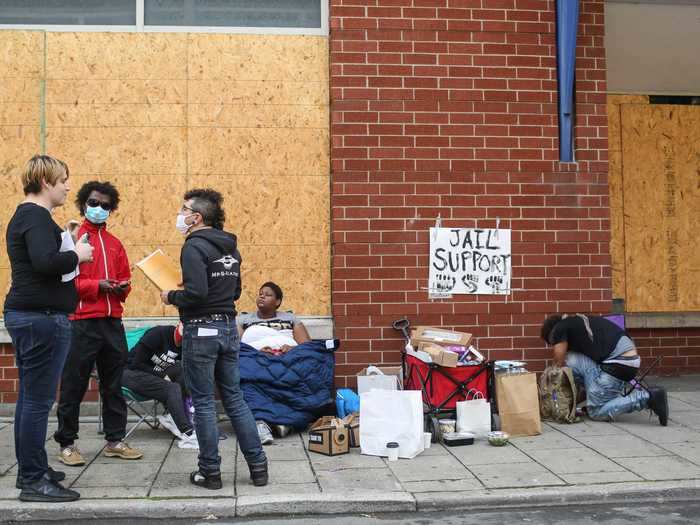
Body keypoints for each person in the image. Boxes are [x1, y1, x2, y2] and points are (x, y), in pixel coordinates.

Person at [161, 188, 268, 490]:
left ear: (196, 217)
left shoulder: (193, 246)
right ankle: (259, 468)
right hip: (227, 329)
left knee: (205, 403)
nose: (180, 215)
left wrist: (171, 295)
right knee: (235, 399)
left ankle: (210, 473)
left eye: (184, 210)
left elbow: (196, 294)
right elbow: (233, 292)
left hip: (200, 330)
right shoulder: (231, 248)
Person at [4, 155, 93, 502]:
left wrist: (66, 240)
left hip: (31, 316)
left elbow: (41, 255)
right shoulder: (35, 216)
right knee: (38, 402)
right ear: (45, 183)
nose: (68, 187)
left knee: (29, 399)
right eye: (63, 181)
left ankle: (34, 468)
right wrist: (78, 254)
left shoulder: (32, 218)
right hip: (42, 320)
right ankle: (32, 480)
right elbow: (45, 263)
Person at [54, 181, 143, 466]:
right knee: (74, 384)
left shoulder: (115, 243)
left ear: (111, 209)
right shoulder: (72, 238)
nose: (99, 209)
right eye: (94, 203)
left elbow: (125, 279)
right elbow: (65, 282)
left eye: (105, 205)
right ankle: (67, 443)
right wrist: (99, 286)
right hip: (81, 322)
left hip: (112, 321)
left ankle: (115, 440)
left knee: (114, 384)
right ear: (83, 205)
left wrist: (121, 288)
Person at [541, 314, 669, 425]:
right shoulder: (576, 324)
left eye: (552, 343)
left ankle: (648, 398)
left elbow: (558, 361)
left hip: (618, 364)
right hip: (624, 362)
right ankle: (600, 401)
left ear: (552, 335)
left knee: (596, 412)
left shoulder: (559, 328)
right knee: (572, 361)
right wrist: (573, 404)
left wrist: (551, 379)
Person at [237, 281, 310, 444]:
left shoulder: (290, 318)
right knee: (250, 381)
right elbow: (237, 347)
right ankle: (261, 424)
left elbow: (307, 347)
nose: (262, 296)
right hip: (257, 361)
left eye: (268, 294)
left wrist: (291, 348)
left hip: (285, 361)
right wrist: (256, 351)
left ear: (277, 302)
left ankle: (283, 420)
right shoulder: (244, 320)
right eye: (260, 293)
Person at [121, 323, 198, 448]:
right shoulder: (157, 334)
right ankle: (188, 434)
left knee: (184, 372)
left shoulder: (188, 345)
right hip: (129, 372)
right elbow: (136, 363)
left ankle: (173, 416)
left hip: (152, 374)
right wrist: (162, 376)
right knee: (172, 388)